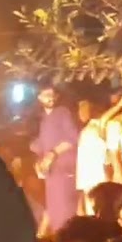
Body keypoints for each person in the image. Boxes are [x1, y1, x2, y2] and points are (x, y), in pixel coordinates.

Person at [30, 86, 81, 233]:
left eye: (53, 94)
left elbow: (72, 138)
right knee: (54, 210)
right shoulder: (43, 119)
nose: (50, 97)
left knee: (65, 211)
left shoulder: (62, 112)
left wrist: (52, 154)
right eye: (46, 94)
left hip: (64, 170)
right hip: (51, 174)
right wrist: (38, 162)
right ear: (39, 97)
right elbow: (39, 146)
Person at [76, 96, 122, 215]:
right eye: (79, 110)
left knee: (100, 204)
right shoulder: (85, 129)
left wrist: (119, 106)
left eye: (84, 109)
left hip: (98, 173)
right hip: (85, 175)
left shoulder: (98, 125)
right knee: (89, 206)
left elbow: (104, 118)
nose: (81, 113)